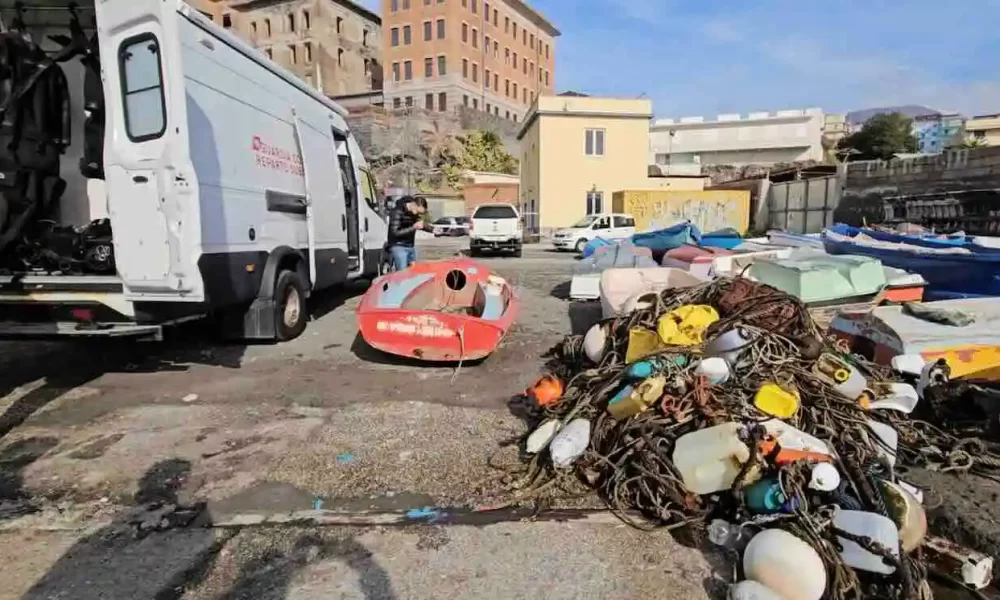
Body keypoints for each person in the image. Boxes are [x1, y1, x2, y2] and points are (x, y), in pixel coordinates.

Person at [387, 195, 428, 271]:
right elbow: (395, 233)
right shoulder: (397, 212)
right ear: (414, 204)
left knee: (413, 273)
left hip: (410, 246)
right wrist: (414, 227)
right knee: (402, 274)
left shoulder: (414, 213)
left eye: (420, 213)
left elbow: (420, 224)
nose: (418, 214)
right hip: (398, 246)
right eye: (418, 212)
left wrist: (433, 229)